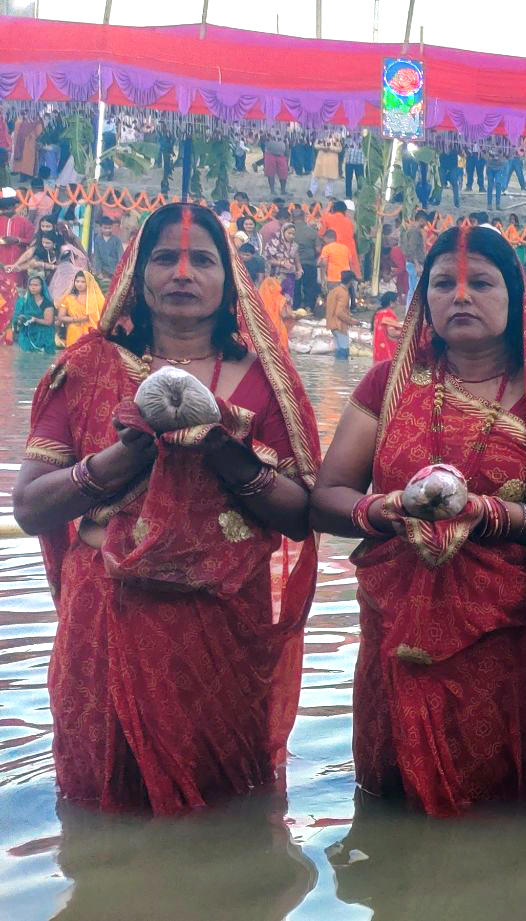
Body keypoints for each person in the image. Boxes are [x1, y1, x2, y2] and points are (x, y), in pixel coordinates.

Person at [15, 202, 320, 814]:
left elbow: (301, 515)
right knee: (103, 801)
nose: (183, 272)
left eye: (202, 260)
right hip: (105, 610)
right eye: (164, 258)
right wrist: (122, 459)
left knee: (224, 799)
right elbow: (29, 507)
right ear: (137, 273)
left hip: (222, 617)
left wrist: (228, 456)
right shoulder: (87, 366)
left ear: (228, 279)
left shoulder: (265, 378)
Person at [309, 223, 526, 817]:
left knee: (499, 815)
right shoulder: (389, 384)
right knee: (392, 812)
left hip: (505, 648)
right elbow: (327, 496)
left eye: (480, 282)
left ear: (516, 296)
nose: (461, 297)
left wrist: (489, 514)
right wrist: (386, 508)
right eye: (443, 283)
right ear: (424, 298)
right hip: (395, 634)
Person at [53, 270, 105, 348]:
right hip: (74, 331)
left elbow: (102, 318)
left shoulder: (96, 299)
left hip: (91, 331)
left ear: (88, 283)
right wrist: (77, 320)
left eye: (83, 282)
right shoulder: (68, 298)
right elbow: (61, 317)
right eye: (77, 281)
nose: (79, 284)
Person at [325, 270, 357, 358]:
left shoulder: (333, 291)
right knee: (344, 352)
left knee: (338, 351)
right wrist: (351, 321)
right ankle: (342, 371)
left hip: (332, 325)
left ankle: (337, 370)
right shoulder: (344, 293)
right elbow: (339, 312)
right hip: (340, 326)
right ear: (351, 281)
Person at [370, 290, 402, 364]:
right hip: (388, 350)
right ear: (391, 302)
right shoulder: (388, 313)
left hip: (378, 351)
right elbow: (392, 332)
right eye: (396, 301)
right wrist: (406, 332)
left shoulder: (378, 313)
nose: (398, 303)